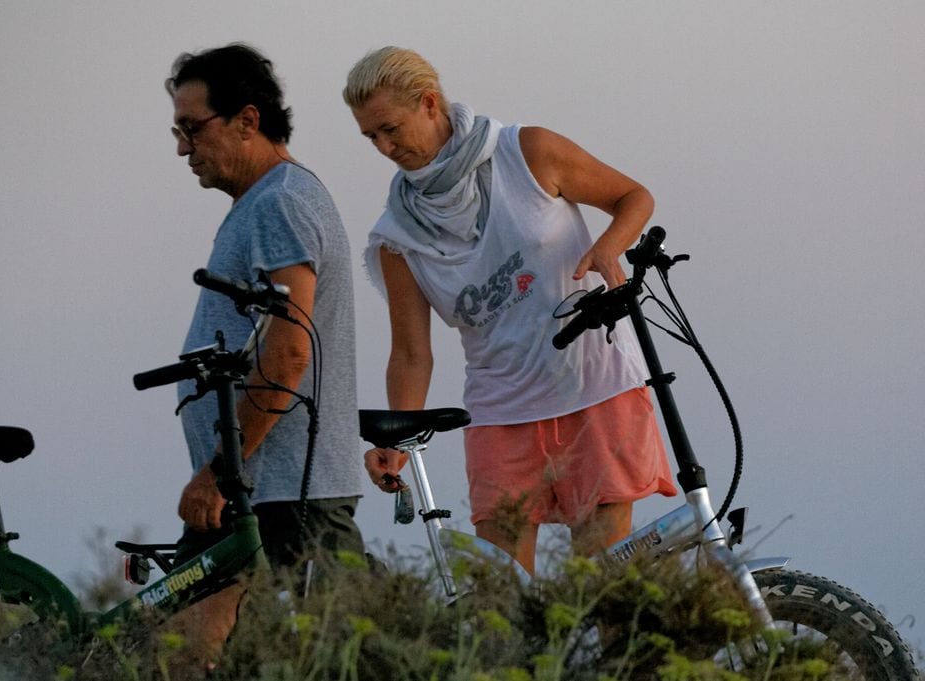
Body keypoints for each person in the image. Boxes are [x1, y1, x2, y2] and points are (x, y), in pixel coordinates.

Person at [343, 47, 676, 575]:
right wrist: (394, 440)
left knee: (602, 585)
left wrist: (610, 247)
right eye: (370, 137)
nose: (384, 147)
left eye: (390, 128)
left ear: (429, 104)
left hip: (594, 387)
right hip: (500, 411)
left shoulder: (527, 153)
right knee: (502, 594)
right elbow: (411, 352)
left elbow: (632, 197)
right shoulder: (396, 238)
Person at [165, 42, 364, 672]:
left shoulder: (279, 203)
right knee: (186, 654)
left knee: (334, 660)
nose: (181, 147)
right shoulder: (266, 203)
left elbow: (287, 354)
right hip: (253, 490)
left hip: (280, 492)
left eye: (191, 128)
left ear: (247, 121)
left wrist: (220, 471)